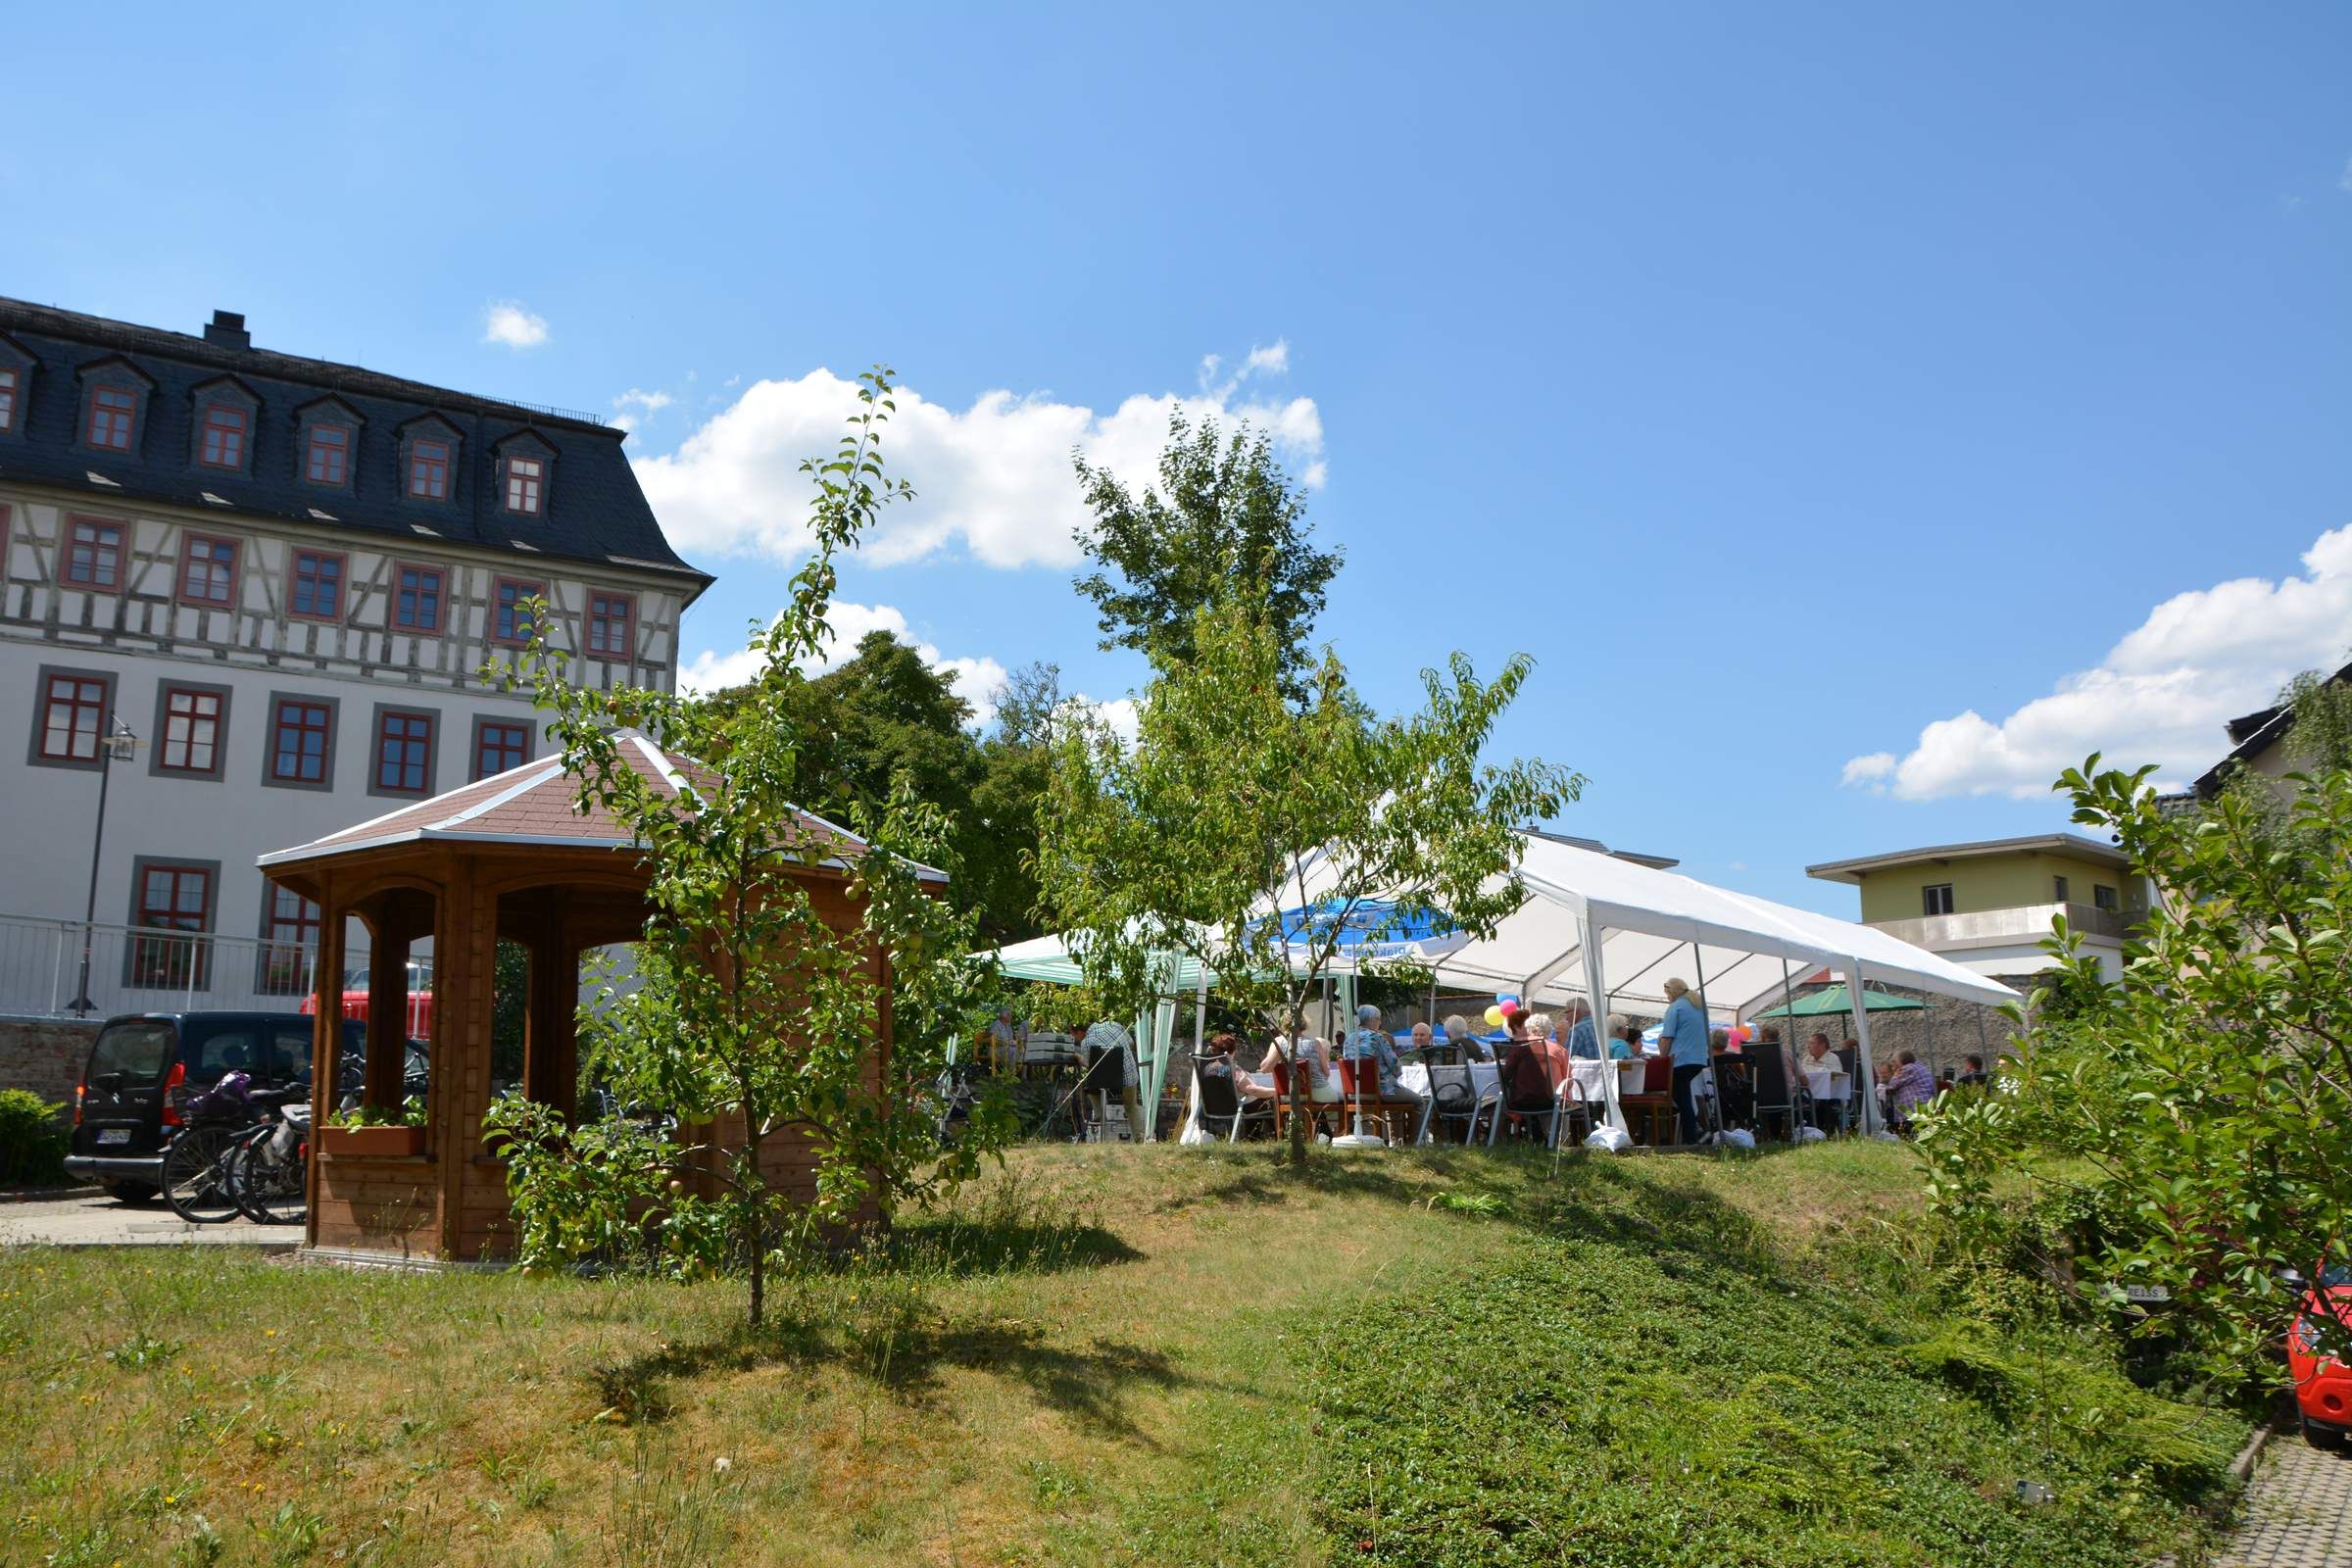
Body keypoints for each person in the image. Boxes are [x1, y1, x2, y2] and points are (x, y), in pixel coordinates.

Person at [1657, 977, 1711, 1146]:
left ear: (1671, 992)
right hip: (1699, 1059)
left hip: (1681, 1060)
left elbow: (1667, 1038)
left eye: (1667, 994)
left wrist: (1662, 1059)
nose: (1667, 998)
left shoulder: (1676, 1008)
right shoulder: (1699, 1007)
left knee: (1682, 1100)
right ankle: (1696, 1132)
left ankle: (1692, 1137)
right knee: (1684, 1097)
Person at [1500, 1011, 1570, 1136]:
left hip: (1521, 1101)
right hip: (1551, 1101)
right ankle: (1560, 1138)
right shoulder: (1559, 1050)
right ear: (1549, 1030)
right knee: (1563, 1096)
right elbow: (1569, 1082)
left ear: (1528, 1028)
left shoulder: (1518, 1048)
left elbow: (1505, 1075)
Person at [1079, 1016, 1147, 1139]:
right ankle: (1139, 1137)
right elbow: (1131, 1043)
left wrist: (1078, 1059)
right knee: (1131, 1105)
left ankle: (1099, 1112)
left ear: (1078, 1032)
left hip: (1102, 1081)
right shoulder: (1113, 1024)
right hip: (1128, 1077)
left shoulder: (1085, 1043)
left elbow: (1088, 1065)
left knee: (1088, 1081)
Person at [1886, 1050, 1938, 1131]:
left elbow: (1891, 1086)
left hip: (1915, 1111)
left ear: (1900, 1061)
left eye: (1894, 1061)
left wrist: (1895, 1074)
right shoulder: (1919, 1066)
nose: (1893, 1064)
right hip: (1925, 1108)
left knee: (1913, 1134)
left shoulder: (1908, 1069)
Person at [988, 1007, 1026, 1077]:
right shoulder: (996, 1025)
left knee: (1022, 1049)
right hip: (995, 1049)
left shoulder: (1008, 1025)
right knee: (1013, 1050)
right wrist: (1005, 1043)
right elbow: (991, 1040)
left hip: (1007, 1048)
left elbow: (1010, 1039)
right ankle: (1010, 1075)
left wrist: (1014, 1042)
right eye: (1010, 1015)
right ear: (1004, 1016)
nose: (1011, 1017)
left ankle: (1021, 1075)